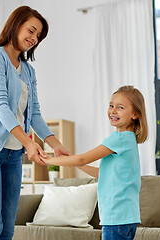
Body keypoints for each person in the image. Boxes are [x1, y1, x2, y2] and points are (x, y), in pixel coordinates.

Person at [0, 6, 70, 240]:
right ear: (16, 25)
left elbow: (34, 115)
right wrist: (30, 143)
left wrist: (55, 143)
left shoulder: (29, 72)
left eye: (38, 36)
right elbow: (0, 105)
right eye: (31, 31)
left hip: (12, 155)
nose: (34, 38)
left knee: (7, 230)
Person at [41, 85, 148, 240]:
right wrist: (78, 164)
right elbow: (103, 174)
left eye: (120, 107)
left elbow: (83, 158)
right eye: (111, 105)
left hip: (115, 217)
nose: (113, 111)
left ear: (135, 114)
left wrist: (49, 159)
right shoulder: (129, 140)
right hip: (127, 217)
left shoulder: (118, 139)